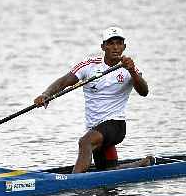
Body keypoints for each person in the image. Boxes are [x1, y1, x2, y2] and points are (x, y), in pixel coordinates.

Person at [34, 26, 152, 173]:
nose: (115, 47)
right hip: (95, 127)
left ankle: (73, 182)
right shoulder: (89, 65)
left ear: (124, 47)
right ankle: (142, 164)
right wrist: (46, 94)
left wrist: (132, 72)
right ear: (103, 46)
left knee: (85, 142)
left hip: (115, 125)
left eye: (119, 43)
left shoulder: (129, 68)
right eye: (111, 43)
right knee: (108, 170)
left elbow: (144, 91)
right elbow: (64, 81)